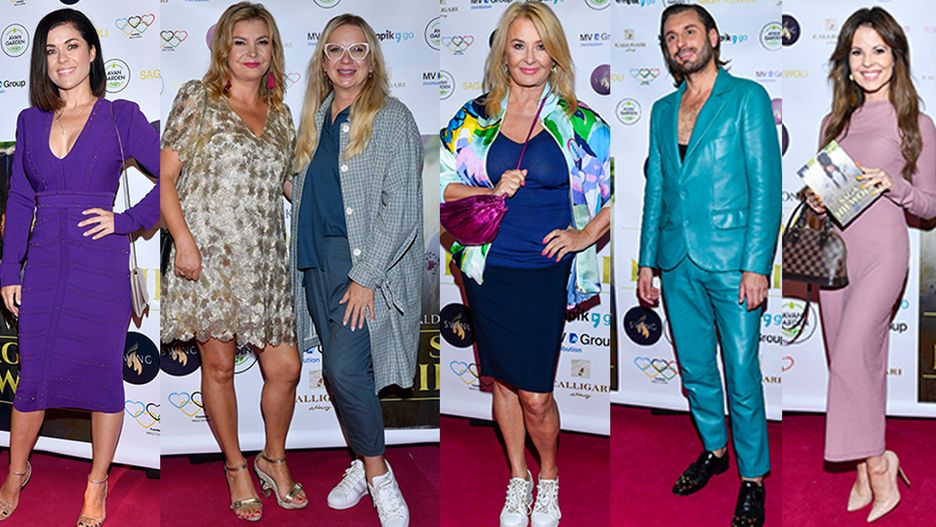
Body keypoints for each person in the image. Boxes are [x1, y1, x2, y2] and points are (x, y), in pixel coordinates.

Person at [441, 4, 611, 526]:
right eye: (519, 45)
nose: (530, 57)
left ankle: (549, 475)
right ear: (503, 53)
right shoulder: (474, 117)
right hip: (486, 270)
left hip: (542, 272)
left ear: (555, 54)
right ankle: (518, 477)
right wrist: (488, 190)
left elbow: (627, 192)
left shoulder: (580, 121)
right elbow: (442, 185)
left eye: (541, 46)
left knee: (536, 395)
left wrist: (585, 234)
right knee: (503, 383)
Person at [0, 9, 159, 526]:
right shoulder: (29, 121)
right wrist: (9, 270)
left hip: (99, 268)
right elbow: (19, 200)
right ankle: (16, 472)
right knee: (32, 376)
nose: (61, 59)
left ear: (92, 51)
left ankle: (97, 483)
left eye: (72, 46)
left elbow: (174, 178)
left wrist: (126, 221)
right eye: (50, 50)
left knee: (103, 378)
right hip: (44, 264)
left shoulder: (121, 117)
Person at [636, 4, 780, 527]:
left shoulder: (747, 98)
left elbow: (766, 188)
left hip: (732, 264)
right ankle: (716, 451)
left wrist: (756, 265)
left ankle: (753, 477)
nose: (681, 43)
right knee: (695, 369)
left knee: (741, 372)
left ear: (713, 37)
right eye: (671, 36)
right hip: (676, 262)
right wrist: (647, 261)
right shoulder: (661, 110)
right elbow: (656, 190)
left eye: (690, 31)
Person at [160, 2, 305, 521]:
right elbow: (166, 178)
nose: (251, 52)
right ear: (224, 48)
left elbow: (288, 186)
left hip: (265, 261)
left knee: (286, 368)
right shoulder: (197, 98)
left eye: (261, 42)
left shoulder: (282, 114)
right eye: (240, 41)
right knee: (219, 367)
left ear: (273, 51)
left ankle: (273, 457)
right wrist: (183, 240)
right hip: (210, 259)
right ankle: (236, 466)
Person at [288, 13, 422, 527]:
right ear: (322, 61)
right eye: (335, 50)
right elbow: (304, 185)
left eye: (358, 50)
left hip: (362, 266)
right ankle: (362, 464)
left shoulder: (392, 118)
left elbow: (402, 209)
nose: (346, 60)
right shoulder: (314, 119)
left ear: (372, 61)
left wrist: (366, 277)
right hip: (315, 264)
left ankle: (379, 474)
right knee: (344, 376)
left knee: (342, 370)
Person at [803, 7, 936, 523]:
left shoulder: (915, 123)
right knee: (853, 363)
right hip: (835, 260)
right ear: (847, 62)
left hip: (883, 253)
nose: (868, 61)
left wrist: (893, 184)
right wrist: (816, 202)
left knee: (852, 356)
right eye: (857, 52)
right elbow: (826, 200)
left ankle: (880, 465)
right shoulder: (833, 123)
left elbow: (929, 204)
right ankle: (863, 468)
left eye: (878, 49)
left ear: (896, 56)